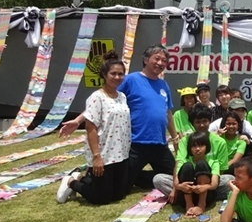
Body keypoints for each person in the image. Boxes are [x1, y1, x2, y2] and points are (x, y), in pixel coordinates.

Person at [61, 45, 180, 193]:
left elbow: (167, 112)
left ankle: (137, 177)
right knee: (120, 187)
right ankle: (80, 180)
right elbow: (106, 97)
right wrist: (78, 120)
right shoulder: (130, 80)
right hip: (135, 145)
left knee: (176, 177)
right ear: (145, 60)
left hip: (159, 144)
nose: (161, 63)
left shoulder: (163, 85)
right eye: (157, 58)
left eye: (164, 60)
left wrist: (175, 136)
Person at [57, 51, 130, 205]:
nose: (117, 77)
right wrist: (97, 156)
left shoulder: (122, 96)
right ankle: (71, 181)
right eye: (113, 73)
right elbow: (91, 129)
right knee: (101, 199)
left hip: (120, 153)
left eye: (121, 74)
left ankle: (82, 177)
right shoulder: (97, 97)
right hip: (103, 153)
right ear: (104, 74)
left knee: (118, 195)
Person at [164, 131, 219, 222]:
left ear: (207, 147)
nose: (197, 149)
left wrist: (204, 187)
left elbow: (214, 184)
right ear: (190, 148)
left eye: (201, 146)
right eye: (194, 146)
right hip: (186, 196)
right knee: (187, 166)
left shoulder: (214, 162)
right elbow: (176, 183)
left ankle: (201, 205)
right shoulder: (184, 161)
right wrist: (181, 186)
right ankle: (189, 205)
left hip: (205, 196)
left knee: (202, 164)